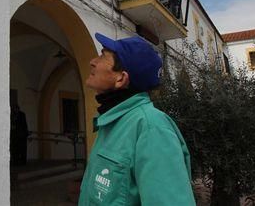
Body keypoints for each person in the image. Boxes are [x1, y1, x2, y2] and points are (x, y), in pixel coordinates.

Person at [78, 33, 195, 205]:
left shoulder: (151, 128)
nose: (93, 61)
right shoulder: (111, 122)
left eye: (103, 55)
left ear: (121, 78)